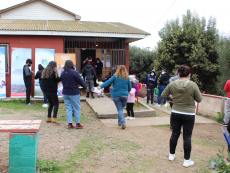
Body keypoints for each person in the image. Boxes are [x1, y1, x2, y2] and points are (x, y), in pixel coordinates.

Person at [161, 65, 202, 167]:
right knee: (187, 136)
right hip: (189, 114)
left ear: (178, 74)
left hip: (176, 112)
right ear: (189, 74)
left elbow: (163, 95)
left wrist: (172, 99)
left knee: (175, 133)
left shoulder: (173, 84)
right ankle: (186, 161)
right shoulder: (193, 85)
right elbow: (199, 99)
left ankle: (171, 155)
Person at [98, 65, 131, 129]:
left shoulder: (115, 76)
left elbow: (108, 82)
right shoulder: (127, 77)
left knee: (120, 109)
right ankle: (119, 122)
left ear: (118, 70)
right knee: (121, 109)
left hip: (116, 95)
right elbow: (130, 87)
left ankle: (123, 123)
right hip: (125, 96)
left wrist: (101, 86)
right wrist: (126, 92)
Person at [60, 60, 87, 129]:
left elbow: (62, 81)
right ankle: (77, 124)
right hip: (74, 92)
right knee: (76, 108)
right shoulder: (74, 72)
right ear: (72, 65)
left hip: (65, 93)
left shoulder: (62, 73)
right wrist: (85, 87)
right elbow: (80, 81)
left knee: (68, 108)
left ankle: (70, 124)